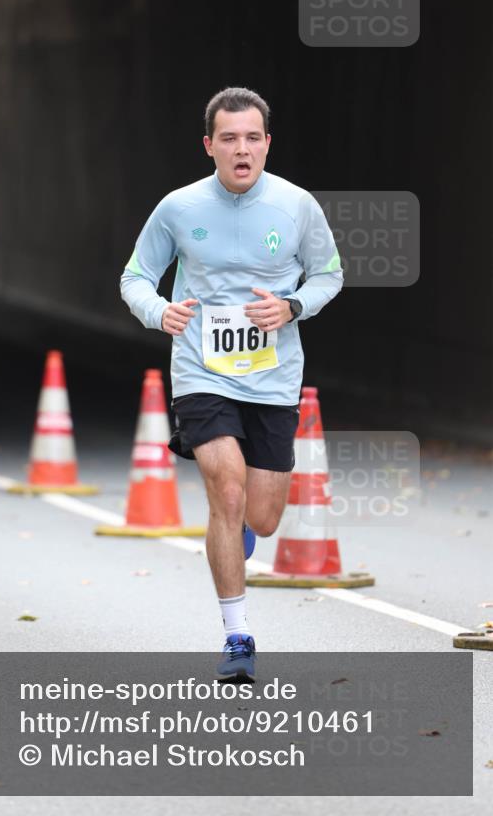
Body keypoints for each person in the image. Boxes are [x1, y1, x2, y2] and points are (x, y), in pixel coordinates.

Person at [120, 87, 343, 680]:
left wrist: (293, 306)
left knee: (263, 516)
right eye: (229, 138)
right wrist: (157, 311)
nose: (241, 149)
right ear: (209, 146)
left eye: (252, 138)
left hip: (272, 377)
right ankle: (237, 635)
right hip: (202, 370)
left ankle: (241, 525)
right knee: (225, 488)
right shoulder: (178, 208)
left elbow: (329, 274)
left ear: (267, 144)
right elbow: (137, 275)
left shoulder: (297, 206)